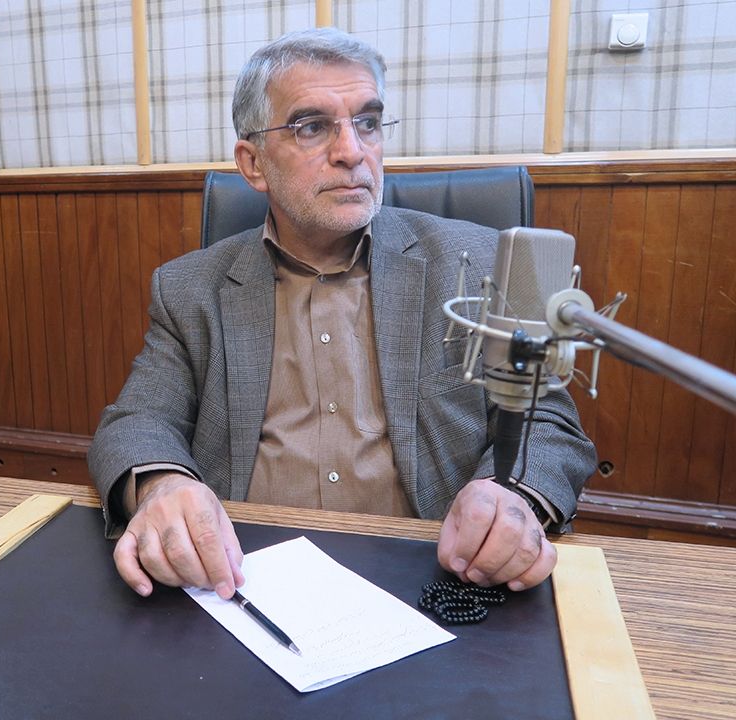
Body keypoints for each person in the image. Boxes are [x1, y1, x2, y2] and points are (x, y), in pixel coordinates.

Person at [88, 28, 595, 602]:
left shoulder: (479, 263)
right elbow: (136, 421)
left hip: (432, 574)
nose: (352, 151)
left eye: (368, 123)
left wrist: (511, 497)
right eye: (312, 127)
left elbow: (547, 422)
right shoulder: (189, 288)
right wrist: (161, 486)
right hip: (241, 577)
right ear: (253, 164)